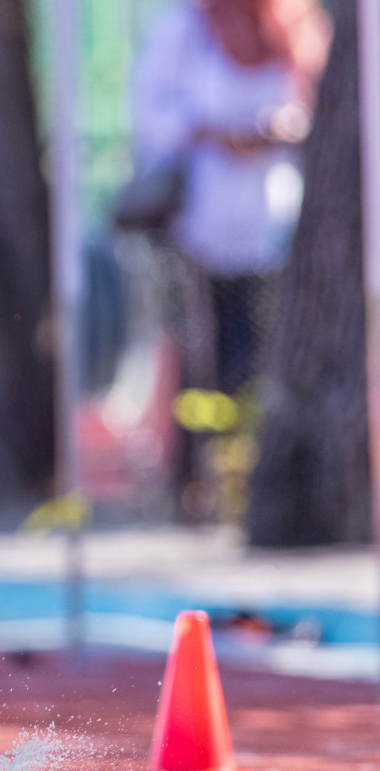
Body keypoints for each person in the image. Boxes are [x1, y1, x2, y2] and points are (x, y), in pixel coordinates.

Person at [132, 0, 329, 520]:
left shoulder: (294, 24)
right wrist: (214, 132)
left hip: (274, 229)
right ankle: (200, 486)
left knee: (263, 362)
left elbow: (324, 107)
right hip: (201, 229)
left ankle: (258, 482)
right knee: (203, 361)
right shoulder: (187, 28)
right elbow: (153, 115)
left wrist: (279, 131)